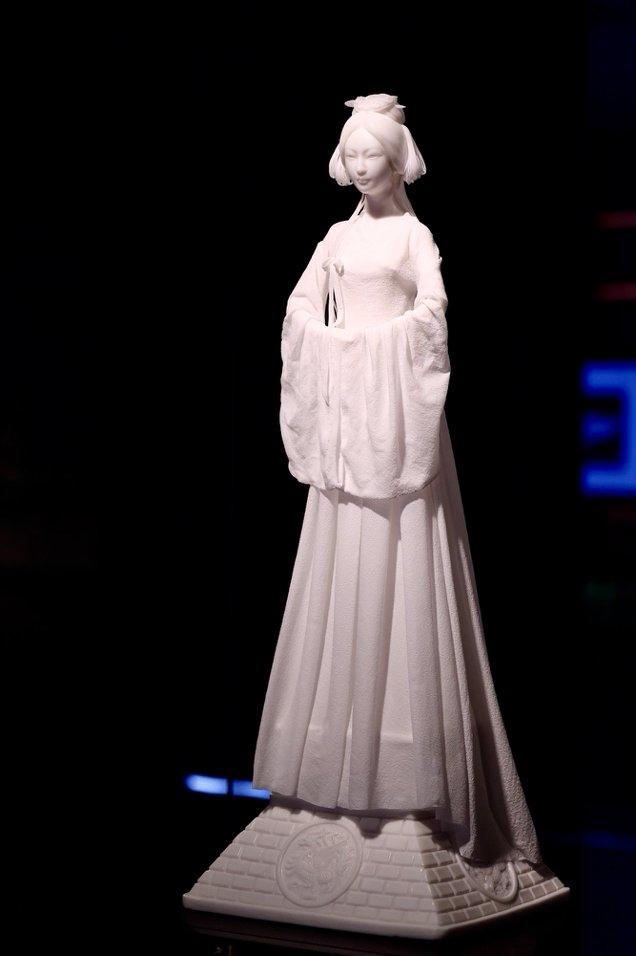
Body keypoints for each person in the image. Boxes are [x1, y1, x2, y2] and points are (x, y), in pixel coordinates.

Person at [252, 94, 542, 867]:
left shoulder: (415, 237)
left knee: (401, 562)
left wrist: (376, 345)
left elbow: (433, 311)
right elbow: (300, 303)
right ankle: (331, 754)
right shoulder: (336, 237)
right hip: (349, 428)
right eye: (350, 156)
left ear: (394, 159)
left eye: (369, 155)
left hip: (395, 423)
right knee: (339, 565)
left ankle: (408, 761)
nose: (359, 167)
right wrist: (328, 341)